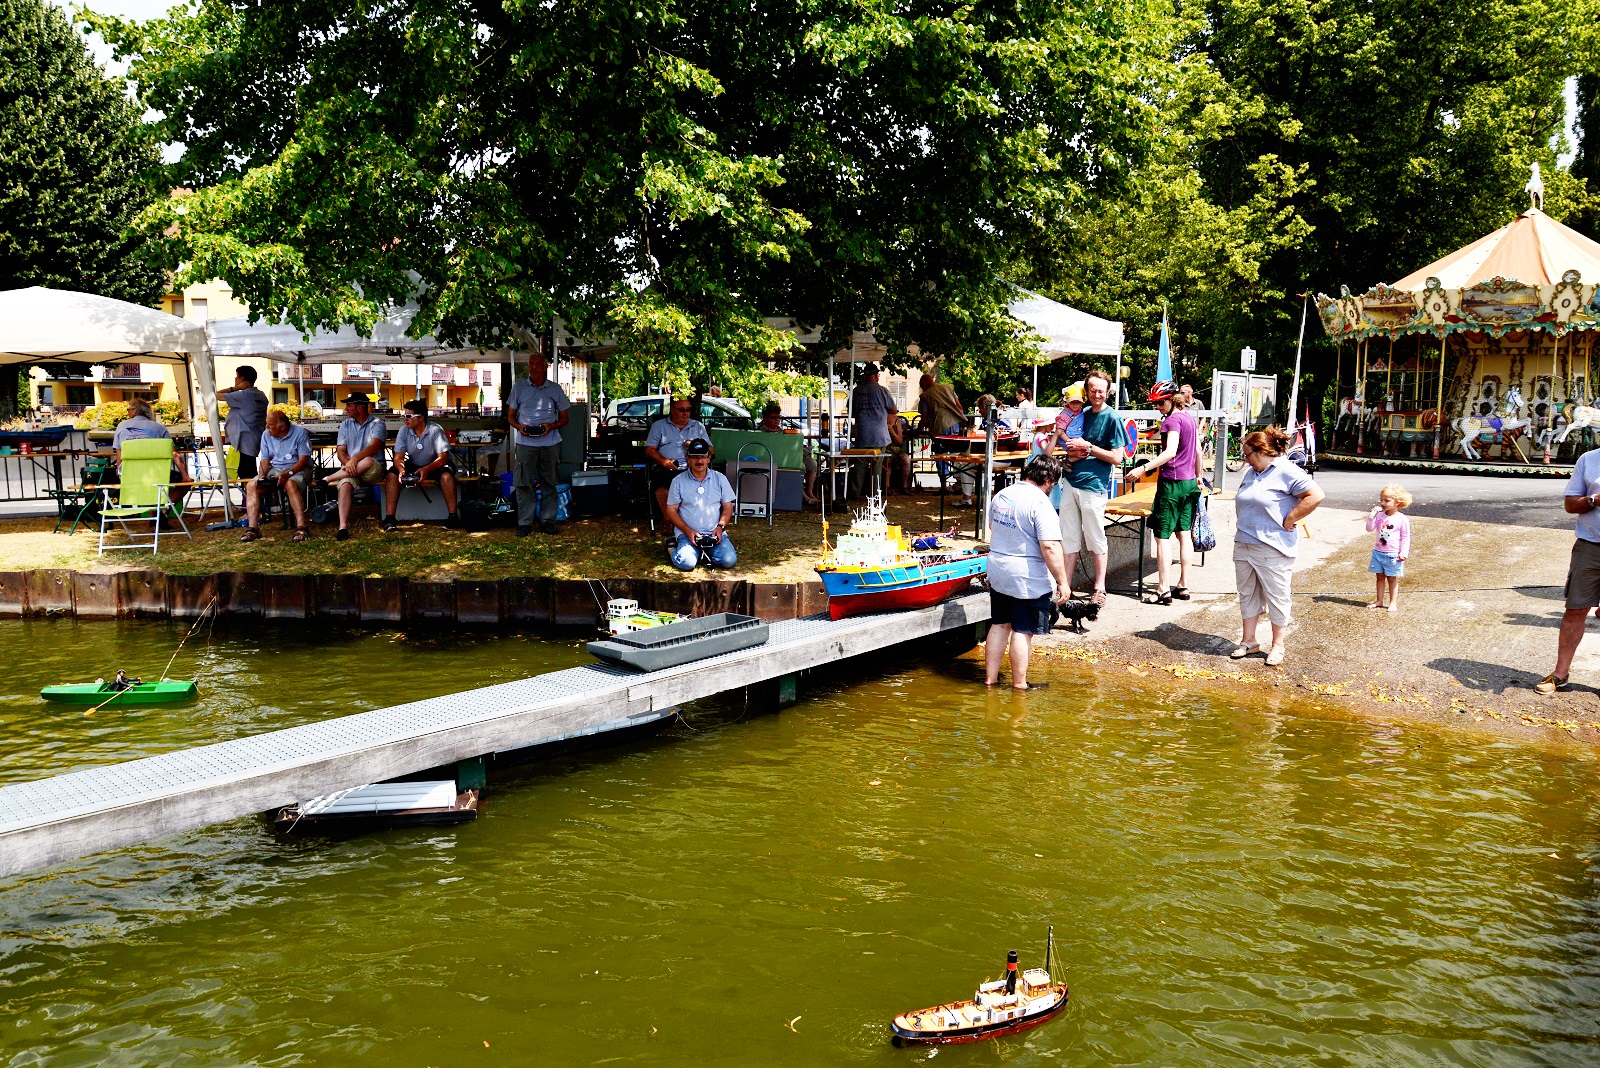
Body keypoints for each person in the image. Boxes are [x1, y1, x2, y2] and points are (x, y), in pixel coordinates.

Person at [1230, 426, 1325, 667]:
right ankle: (1249, 641)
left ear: (1260, 451)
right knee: (1247, 593)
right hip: (1244, 542)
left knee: (1277, 596)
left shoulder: (1287, 471)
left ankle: (1278, 645)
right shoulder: (1252, 472)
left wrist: (1291, 517)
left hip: (1273, 546)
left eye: (1247, 455)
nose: (1245, 460)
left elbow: (1316, 495)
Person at [985, 454, 1072, 690]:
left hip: (998, 569)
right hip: (1025, 576)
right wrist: (1063, 582)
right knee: (1022, 631)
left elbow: (993, 527)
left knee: (999, 624)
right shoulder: (1040, 503)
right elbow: (1050, 546)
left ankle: (990, 680)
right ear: (1049, 480)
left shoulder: (1002, 495)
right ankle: (1020, 684)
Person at [1046, 371, 1125, 606]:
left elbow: (1117, 457)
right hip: (1071, 482)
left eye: (1101, 391)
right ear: (1086, 392)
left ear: (1108, 392)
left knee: (1096, 538)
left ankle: (1099, 588)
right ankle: (1065, 588)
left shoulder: (1113, 418)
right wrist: (1067, 459)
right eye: (1092, 390)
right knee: (1068, 538)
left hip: (1094, 486)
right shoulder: (1080, 412)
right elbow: (1067, 443)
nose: (1096, 394)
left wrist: (1089, 447)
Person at [1125, 380, 1201, 605]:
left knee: (1162, 537)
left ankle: (1163, 590)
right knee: (1184, 533)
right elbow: (1197, 450)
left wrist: (1143, 468)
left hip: (1172, 484)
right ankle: (1183, 586)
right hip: (1189, 483)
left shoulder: (1173, 420)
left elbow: (1170, 452)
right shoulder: (1189, 418)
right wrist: (1198, 475)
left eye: (1160, 403)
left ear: (1171, 400)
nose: (1158, 408)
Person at [1536, 453, 1600, 695]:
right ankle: (1560, 674)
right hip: (1590, 546)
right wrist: (1594, 500)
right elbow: (1570, 505)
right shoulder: (1589, 460)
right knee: (1575, 610)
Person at [506, 351, 571, 536]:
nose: (533, 367)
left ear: (545, 367)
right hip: (525, 442)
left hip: (550, 442)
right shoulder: (518, 388)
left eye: (537, 364)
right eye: (530, 364)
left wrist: (551, 426)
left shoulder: (555, 389)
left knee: (549, 482)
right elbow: (510, 416)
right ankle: (525, 523)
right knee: (523, 483)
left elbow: (565, 418)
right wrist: (520, 427)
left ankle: (548, 521)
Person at [384, 400, 461, 532]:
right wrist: (401, 469)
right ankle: (390, 519)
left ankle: (453, 516)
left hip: (435, 465)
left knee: (447, 476)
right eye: (404, 415)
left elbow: (443, 458)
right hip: (414, 464)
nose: (405, 419)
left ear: (421, 418)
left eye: (409, 416)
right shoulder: (404, 430)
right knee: (392, 475)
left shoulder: (435, 430)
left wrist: (426, 469)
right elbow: (398, 458)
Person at [663, 438, 737, 570]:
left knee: (729, 560)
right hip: (687, 533)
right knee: (686, 563)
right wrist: (687, 531)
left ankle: (705, 551)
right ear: (688, 458)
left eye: (703, 456)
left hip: (714, 533)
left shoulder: (720, 478)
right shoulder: (678, 481)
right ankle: (672, 547)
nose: (699, 461)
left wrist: (720, 527)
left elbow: (728, 506)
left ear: (709, 458)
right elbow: (671, 510)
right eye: (695, 457)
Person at [241, 408, 313, 541]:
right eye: (266, 424)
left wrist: (288, 474)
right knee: (251, 485)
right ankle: (253, 529)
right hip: (276, 468)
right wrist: (262, 477)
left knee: (290, 484)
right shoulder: (266, 434)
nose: (267, 427)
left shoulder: (300, 433)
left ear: (282, 427)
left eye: (270, 425)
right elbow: (265, 460)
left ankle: (301, 527)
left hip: (298, 468)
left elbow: (303, 460)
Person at [322, 392, 386, 541]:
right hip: (351, 470)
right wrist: (348, 463)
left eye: (349, 405)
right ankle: (343, 527)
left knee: (368, 461)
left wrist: (354, 460)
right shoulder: (345, 424)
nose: (346, 409)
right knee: (345, 485)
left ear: (360, 407)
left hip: (373, 469)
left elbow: (374, 447)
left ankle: (329, 478)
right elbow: (340, 451)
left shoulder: (378, 424)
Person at [110, 398, 191, 506]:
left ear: (136, 410)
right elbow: (175, 454)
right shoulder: (159, 428)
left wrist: (121, 477)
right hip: (156, 474)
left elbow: (119, 457)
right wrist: (185, 477)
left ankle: (153, 511)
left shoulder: (121, 426)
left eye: (129, 409)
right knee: (184, 483)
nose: (128, 411)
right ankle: (163, 508)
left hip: (130, 475)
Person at [644, 397, 709, 516]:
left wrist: (694, 444)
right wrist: (663, 461)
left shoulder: (698, 426)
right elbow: (649, 450)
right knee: (661, 484)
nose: (685, 413)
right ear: (672, 410)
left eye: (688, 410)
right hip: (667, 466)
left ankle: (691, 517)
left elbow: (710, 449)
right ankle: (669, 519)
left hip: (692, 467)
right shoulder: (659, 426)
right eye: (682, 410)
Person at [849, 363, 898, 496]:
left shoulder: (856, 391)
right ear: (876, 376)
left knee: (859, 465)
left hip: (862, 434)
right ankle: (875, 495)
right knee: (877, 466)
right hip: (879, 435)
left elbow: (851, 411)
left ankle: (855, 494)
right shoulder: (882, 390)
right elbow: (893, 409)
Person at [1365, 483, 1413, 612]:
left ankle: (1393, 602)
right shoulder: (1380, 515)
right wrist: (1372, 516)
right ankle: (1379, 600)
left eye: (1387, 500)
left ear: (1397, 502)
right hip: (1378, 552)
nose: (1383, 503)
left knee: (1392, 578)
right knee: (1379, 577)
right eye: (1381, 500)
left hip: (1393, 554)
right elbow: (1369, 528)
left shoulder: (1402, 519)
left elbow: (1406, 537)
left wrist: (1404, 552)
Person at [918, 371, 966, 496]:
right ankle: (959, 484)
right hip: (955, 424)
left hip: (940, 426)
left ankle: (944, 486)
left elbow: (924, 418)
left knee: (941, 455)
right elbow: (960, 407)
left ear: (924, 384)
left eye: (921, 386)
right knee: (956, 455)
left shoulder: (925, 396)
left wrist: (917, 431)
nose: (921, 388)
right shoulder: (949, 388)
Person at [217, 366, 268, 479]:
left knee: (247, 471)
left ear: (242, 378)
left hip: (245, 438)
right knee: (245, 470)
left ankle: (251, 490)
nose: (235, 379)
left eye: (237, 376)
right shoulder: (259, 394)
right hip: (252, 437)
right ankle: (249, 490)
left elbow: (214, 395)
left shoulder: (245, 395)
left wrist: (235, 388)